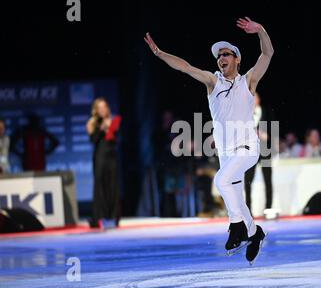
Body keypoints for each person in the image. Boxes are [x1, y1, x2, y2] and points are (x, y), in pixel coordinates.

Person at [144, 16, 274, 264]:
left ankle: (236, 227)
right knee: (236, 197)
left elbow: (267, 54)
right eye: (219, 56)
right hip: (226, 152)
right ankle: (254, 233)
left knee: (222, 180)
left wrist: (261, 31)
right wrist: (160, 53)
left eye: (226, 54)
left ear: (237, 59)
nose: (221, 58)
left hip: (248, 147)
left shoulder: (249, 81)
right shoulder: (212, 81)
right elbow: (185, 66)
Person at [86, 98, 122, 228]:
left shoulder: (114, 120)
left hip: (111, 156)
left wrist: (110, 128)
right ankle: (98, 217)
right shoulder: (92, 123)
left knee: (113, 185)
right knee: (100, 185)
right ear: (96, 110)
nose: (102, 110)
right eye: (99, 108)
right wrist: (101, 128)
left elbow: (118, 139)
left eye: (104, 107)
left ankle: (114, 216)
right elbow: (93, 140)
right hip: (100, 156)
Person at [244, 92, 274, 214]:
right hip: (250, 151)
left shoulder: (267, 112)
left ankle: (268, 208)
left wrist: (266, 135)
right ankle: (248, 209)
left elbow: (273, 130)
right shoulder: (245, 114)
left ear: (259, 99)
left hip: (265, 149)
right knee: (248, 180)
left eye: (254, 97)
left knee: (268, 179)